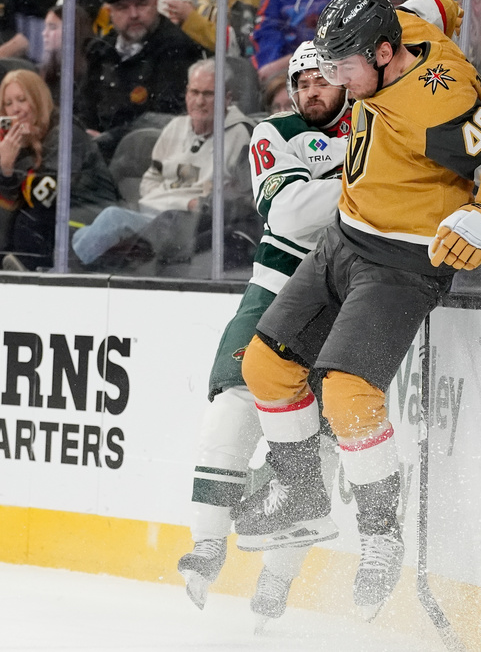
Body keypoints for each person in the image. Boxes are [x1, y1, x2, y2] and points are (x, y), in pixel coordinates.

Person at [234, 0, 481, 612]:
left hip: (401, 262)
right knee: (264, 364)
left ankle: (380, 534)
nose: (335, 80)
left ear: (382, 53)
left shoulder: (441, 109)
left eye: (343, 67)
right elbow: (443, 3)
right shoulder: (400, 25)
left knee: (348, 392)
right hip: (345, 236)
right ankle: (303, 497)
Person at [176, 39, 351, 622]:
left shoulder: (379, 128)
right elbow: (290, 214)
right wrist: (372, 188)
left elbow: (315, 206)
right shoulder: (273, 132)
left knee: (316, 451)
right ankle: (206, 546)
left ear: (348, 79)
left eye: (322, 80)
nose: (309, 91)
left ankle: (278, 581)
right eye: (301, 83)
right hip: (273, 297)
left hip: (343, 308)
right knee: (231, 411)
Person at [72, 58, 253, 267]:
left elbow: (231, 196)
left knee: (111, 219)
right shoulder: (175, 127)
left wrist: (182, 201)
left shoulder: (242, 136)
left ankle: (64, 275)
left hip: (189, 225)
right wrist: (174, 197)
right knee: (83, 233)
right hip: (152, 215)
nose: (199, 101)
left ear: (227, 98)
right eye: (194, 92)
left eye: (208, 94)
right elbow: (151, 178)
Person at [0, 70, 120, 270]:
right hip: (60, 215)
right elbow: (2, 204)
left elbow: (48, 194)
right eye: (8, 104)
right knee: (3, 222)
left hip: (91, 213)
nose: (15, 109)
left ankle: (32, 273)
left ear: (38, 99)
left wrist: (17, 164)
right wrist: (6, 165)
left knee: (28, 218)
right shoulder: (16, 144)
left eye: (22, 100)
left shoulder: (65, 132)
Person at [77, 0, 206, 162]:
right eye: (122, 8)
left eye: (141, 4)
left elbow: (165, 117)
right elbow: (83, 105)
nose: (134, 14)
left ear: (156, 3)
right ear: (109, 12)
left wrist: (108, 139)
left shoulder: (176, 47)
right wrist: (84, 134)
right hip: (96, 152)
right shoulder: (101, 50)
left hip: (149, 152)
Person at [251, 0, 371, 81]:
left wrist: (292, 61)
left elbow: (350, 34)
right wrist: (271, 64)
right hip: (279, 71)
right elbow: (265, 25)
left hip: (327, 71)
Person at [159, 0, 268, 57]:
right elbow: (205, 19)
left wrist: (190, 17)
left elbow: (239, 45)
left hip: (228, 73)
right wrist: (182, 17)